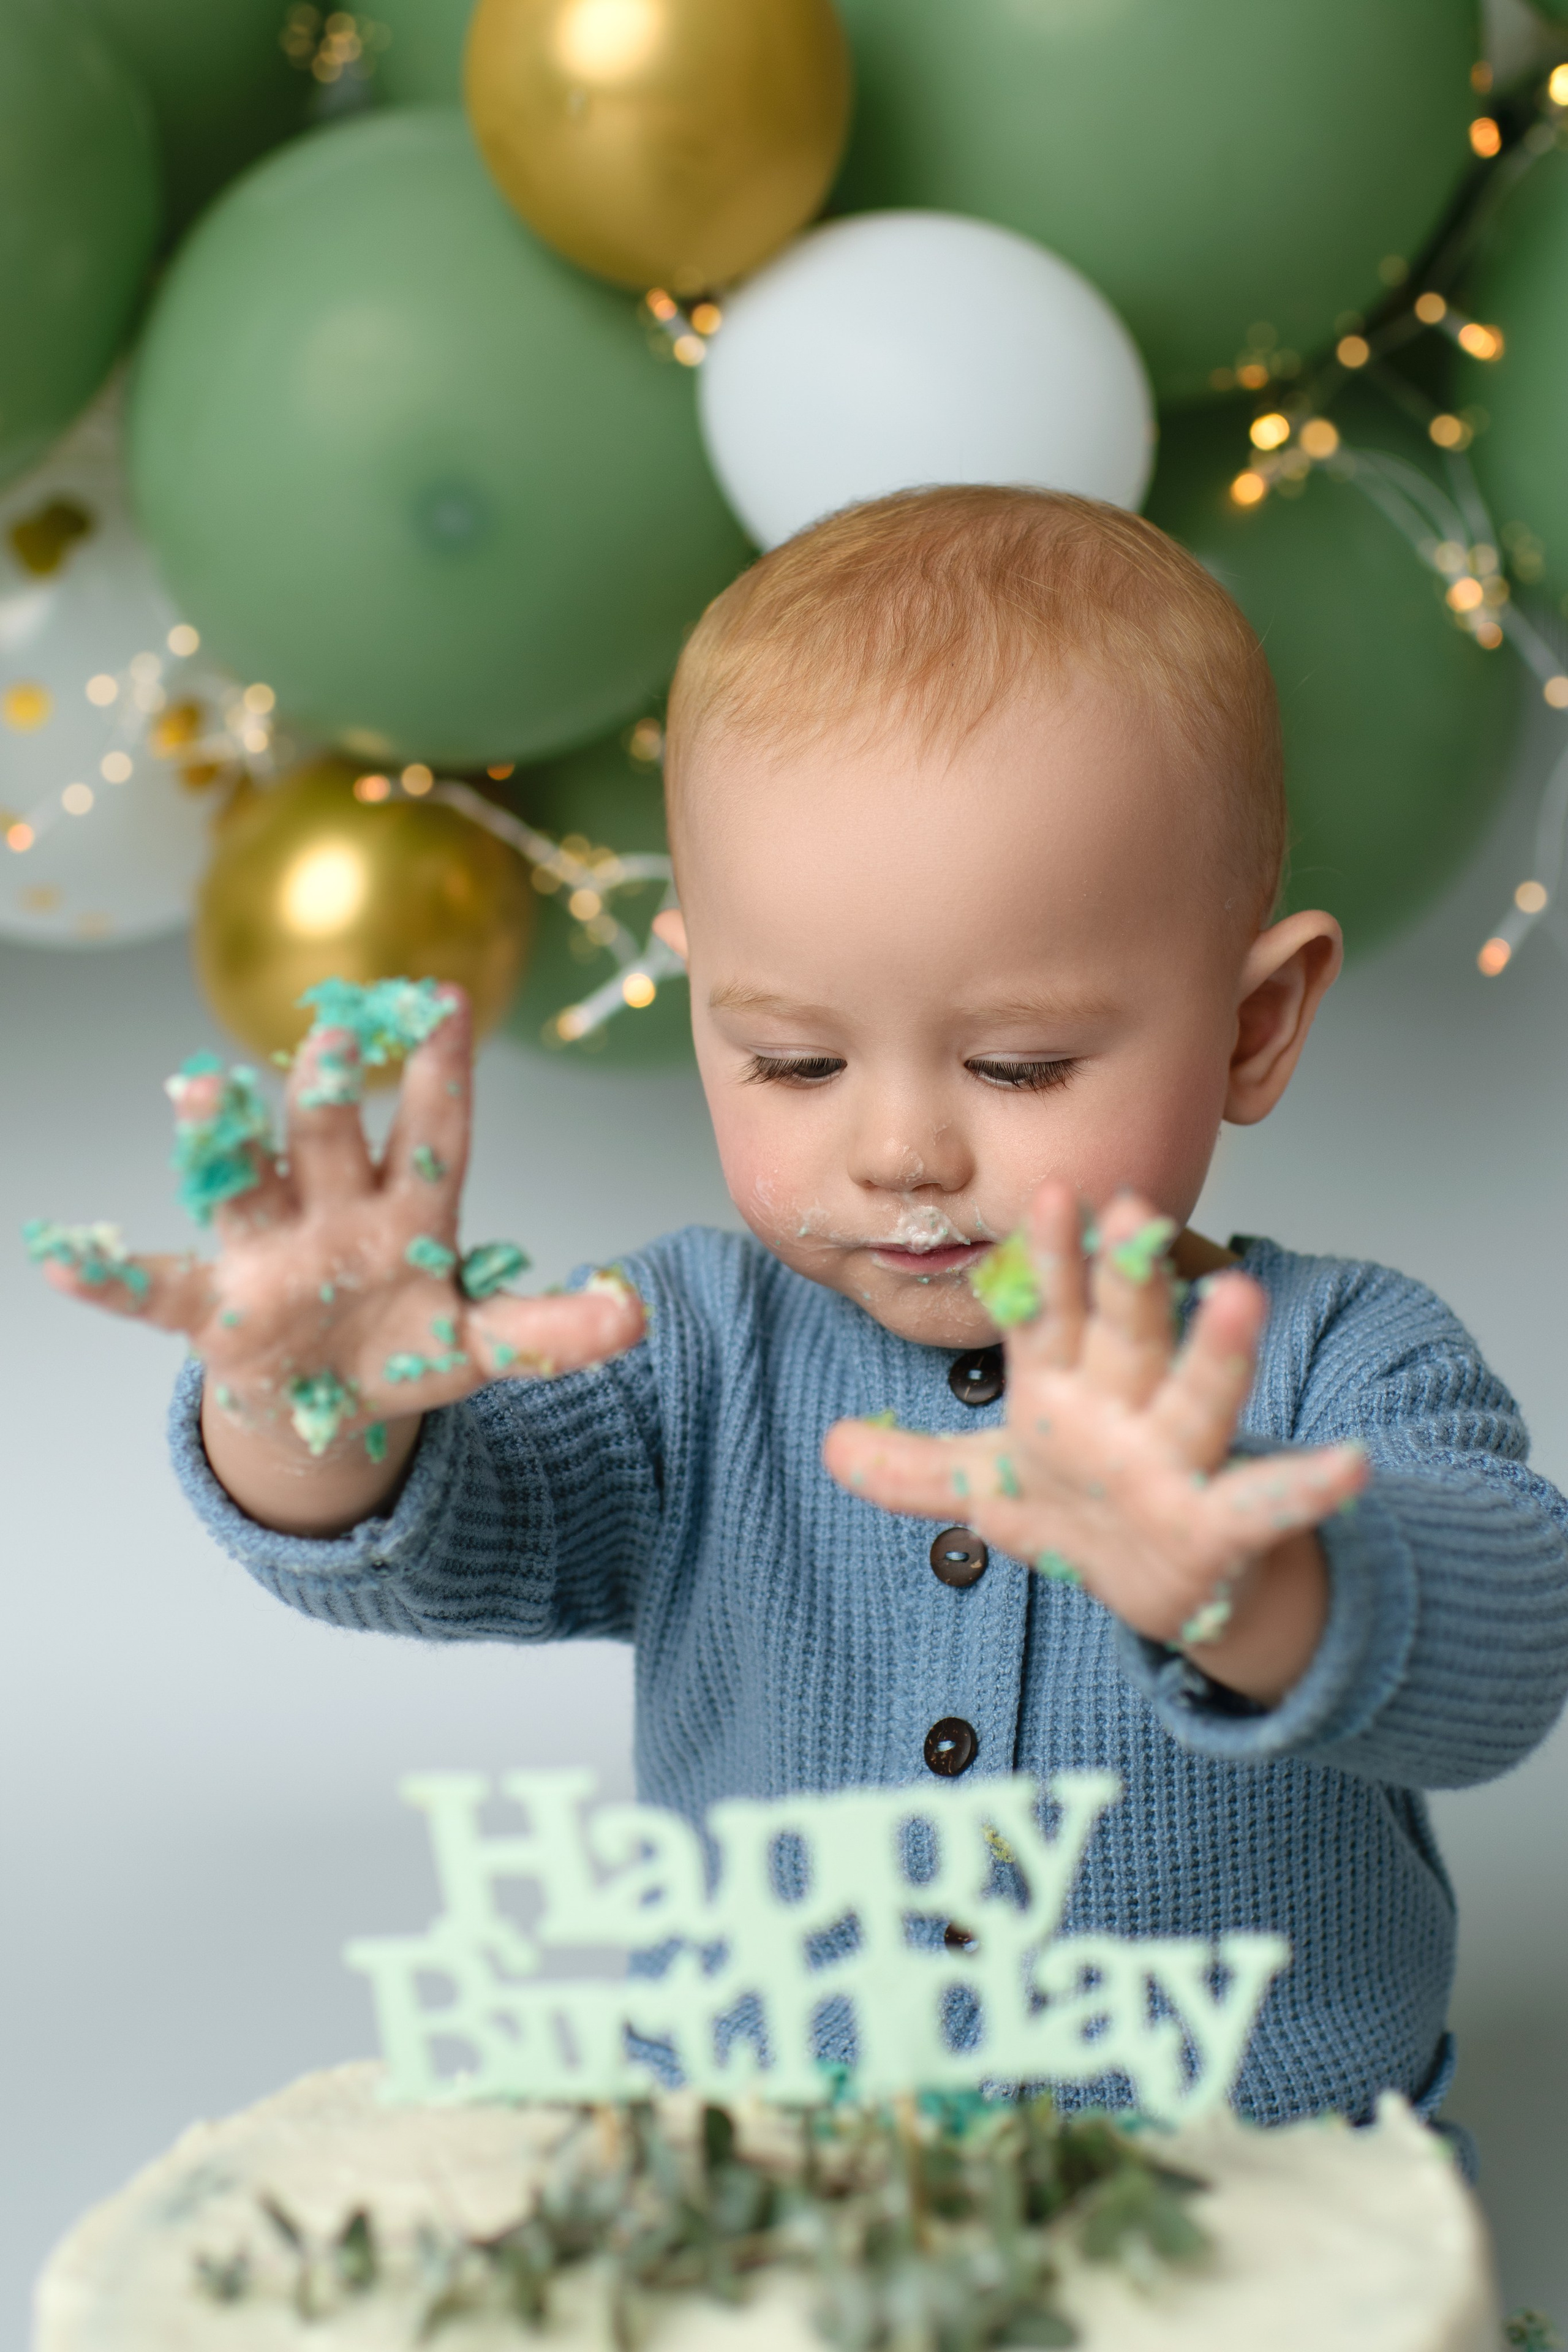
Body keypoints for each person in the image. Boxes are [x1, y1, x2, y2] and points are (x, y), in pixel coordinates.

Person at [39, 486, 1568, 2133]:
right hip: (770, 2192)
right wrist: (312, 1411)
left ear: (1255, 1027)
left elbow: (1508, 1653)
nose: (901, 1146)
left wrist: (1249, 1574)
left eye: (1021, 1064)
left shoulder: (1342, 1354)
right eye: (794, 1061)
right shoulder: (688, 1349)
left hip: (1269, 2209)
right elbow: (452, 1532)